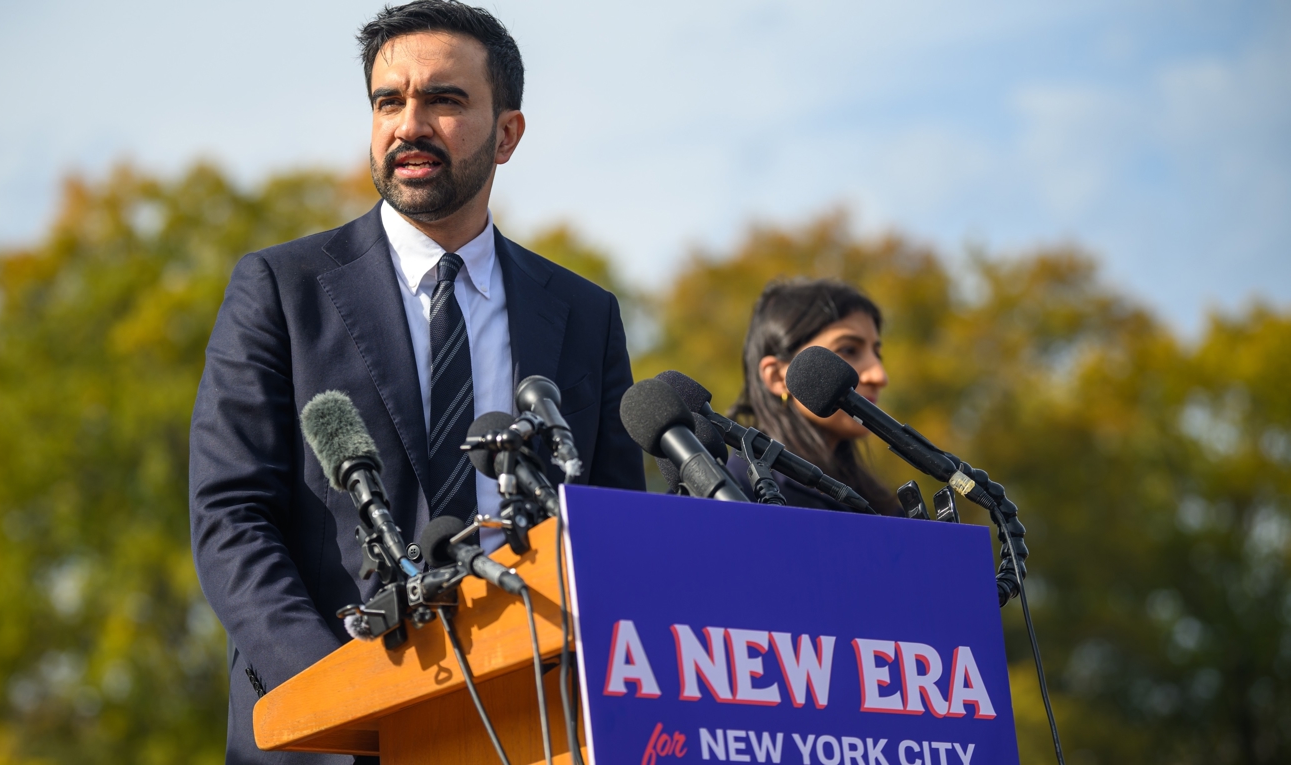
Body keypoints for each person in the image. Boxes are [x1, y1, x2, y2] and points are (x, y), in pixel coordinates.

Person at [187, 2, 644, 762]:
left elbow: (612, 528)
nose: (409, 124)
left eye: (443, 99)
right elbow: (230, 516)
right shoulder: (280, 288)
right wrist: (342, 690)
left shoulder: (585, 315)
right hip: (332, 732)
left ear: (507, 133)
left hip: (536, 725)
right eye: (388, 101)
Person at [726, 278, 903, 516]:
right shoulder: (731, 492)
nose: (879, 376)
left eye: (877, 354)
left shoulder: (883, 506)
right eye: (849, 350)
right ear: (779, 377)